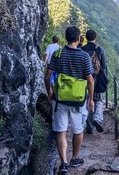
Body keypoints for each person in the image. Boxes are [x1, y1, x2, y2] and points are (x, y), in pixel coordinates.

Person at [44, 26, 94, 175]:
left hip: (60, 99)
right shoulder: (84, 56)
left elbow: (47, 76)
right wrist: (91, 99)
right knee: (78, 130)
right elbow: (90, 79)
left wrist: (50, 92)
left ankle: (64, 163)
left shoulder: (58, 54)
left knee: (61, 130)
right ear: (78, 39)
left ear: (66, 38)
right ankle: (75, 158)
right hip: (78, 101)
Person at [82, 29, 107, 133]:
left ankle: (89, 127)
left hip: (84, 80)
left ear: (86, 38)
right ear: (95, 37)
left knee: (87, 101)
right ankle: (97, 119)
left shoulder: (81, 49)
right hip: (96, 79)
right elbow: (104, 65)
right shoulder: (100, 49)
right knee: (98, 101)